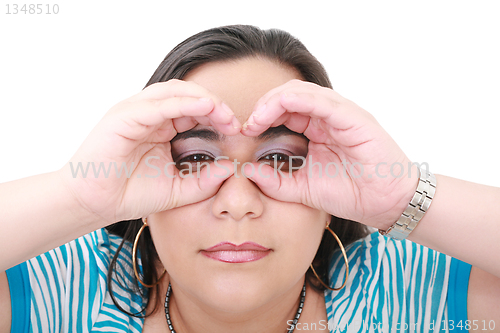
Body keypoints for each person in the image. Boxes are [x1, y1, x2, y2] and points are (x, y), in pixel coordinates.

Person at [1, 24, 499, 333]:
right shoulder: (70, 291)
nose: (238, 204)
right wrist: (79, 197)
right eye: (194, 159)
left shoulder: (399, 295)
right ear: (140, 201)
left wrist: (401, 196)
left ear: (331, 202)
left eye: (282, 159)